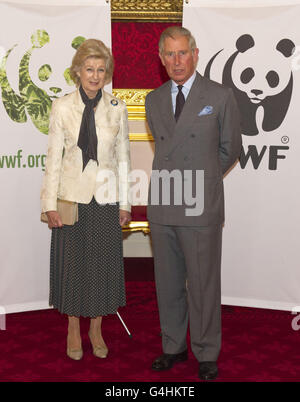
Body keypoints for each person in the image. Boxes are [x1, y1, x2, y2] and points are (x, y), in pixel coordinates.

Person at [145, 26, 242, 380]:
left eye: (182, 52)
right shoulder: (153, 99)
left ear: (196, 54)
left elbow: (231, 148)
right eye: (169, 54)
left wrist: (201, 180)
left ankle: (205, 350)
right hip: (164, 204)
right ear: (161, 59)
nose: (176, 61)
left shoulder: (219, 95)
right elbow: (162, 147)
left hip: (201, 205)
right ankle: (173, 346)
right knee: (167, 282)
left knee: (202, 283)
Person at [40, 39, 131, 361]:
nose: (94, 76)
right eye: (89, 69)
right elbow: (53, 158)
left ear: (107, 75)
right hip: (72, 198)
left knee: (101, 267)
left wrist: (125, 203)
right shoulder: (62, 107)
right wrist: (49, 203)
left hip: (105, 199)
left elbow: (123, 159)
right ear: (77, 71)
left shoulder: (118, 108)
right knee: (73, 266)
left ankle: (96, 328)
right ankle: (73, 327)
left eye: (101, 70)